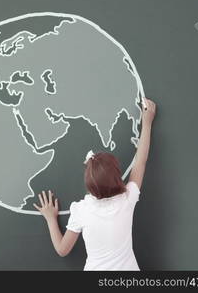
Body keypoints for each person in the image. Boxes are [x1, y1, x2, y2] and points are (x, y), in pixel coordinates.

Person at [33, 98, 156, 270]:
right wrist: (147, 123)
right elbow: (140, 161)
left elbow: (62, 249)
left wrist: (50, 218)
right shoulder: (127, 199)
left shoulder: (82, 210)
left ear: (90, 185)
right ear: (117, 177)